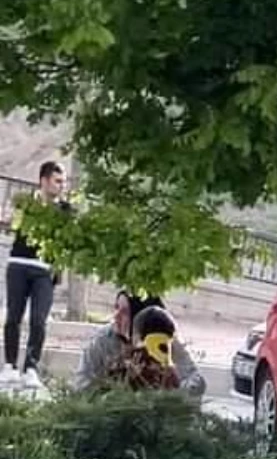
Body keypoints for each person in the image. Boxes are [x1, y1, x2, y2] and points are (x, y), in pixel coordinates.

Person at [3, 160, 71, 393]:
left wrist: (59, 271)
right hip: (19, 264)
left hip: (45, 269)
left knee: (39, 320)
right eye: (57, 181)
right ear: (43, 180)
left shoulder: (65, 210)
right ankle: (10, 365)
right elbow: (16, 226)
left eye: (63, 182)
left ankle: (31, 368)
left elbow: (66, 243)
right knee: (13, 316)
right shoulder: (26, 203)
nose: (61, 186)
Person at [72, 290, 206, 398]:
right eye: (116, 308)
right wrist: (112, 396)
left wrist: (172, 392)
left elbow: (197, 381)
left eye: (124, 312)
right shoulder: (102, 340)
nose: (116, 316)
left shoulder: (163, 340)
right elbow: (81, 383)